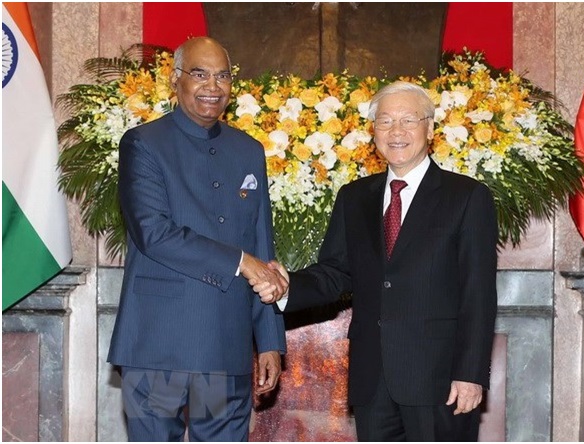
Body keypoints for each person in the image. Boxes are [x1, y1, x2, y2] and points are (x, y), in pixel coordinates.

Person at [254, 82, 498, 441]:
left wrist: (470, 373)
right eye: (385, 121)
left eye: (408, 120)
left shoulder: (466, 196)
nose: (396, 131)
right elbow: (335, 273)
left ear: (430, 128)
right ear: (373, 132)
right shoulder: (354, 197)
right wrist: (288, 285)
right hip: (373, 381)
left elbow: (478, 293)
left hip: (440, 379)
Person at [107, 37, 288, 442]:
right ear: (176, 79)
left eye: (222, 76)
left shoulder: (248, 151)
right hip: (159, 346)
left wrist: (269, 341)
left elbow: (262, 249)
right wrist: (241, 261)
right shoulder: (143, 143)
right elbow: (154, 233)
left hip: (225, 345)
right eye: (200, 74)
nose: (212, 86)